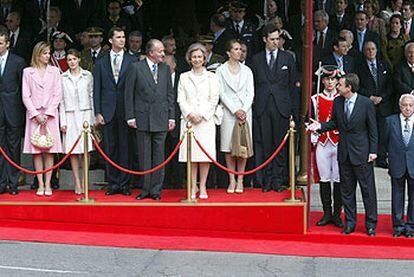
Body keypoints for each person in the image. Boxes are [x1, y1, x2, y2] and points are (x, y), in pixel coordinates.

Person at [307, 73, 378, 236]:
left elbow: (373, 130)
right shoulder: (338, 101)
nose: (337, 87)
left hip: (362, 153)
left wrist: (373, 151)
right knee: (347, 191)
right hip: (344, 152)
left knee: (367, 191)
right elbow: (335, 123)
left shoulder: (365, 103)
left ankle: (371, 224)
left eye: (340, 84)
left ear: (349, 88)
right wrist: (320, 126)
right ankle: (350, 223)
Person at [125, 39, 176, 201]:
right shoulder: (136, 68)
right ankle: (145, 189)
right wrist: (130, 116)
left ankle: (156, 190)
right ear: (150, 52)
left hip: (161, 118)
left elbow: (170, 95)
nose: (163, 54)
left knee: (159, 156)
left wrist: (171, 116)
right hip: (142, 118)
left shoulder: (165, 69)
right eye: (160, 51)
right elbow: (129, 94)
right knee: (145, 156)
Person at [250, 23, 298, 192]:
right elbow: (253, 86)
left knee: (280, 145)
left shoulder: (288, 58)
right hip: (262, 107)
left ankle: (279, 180)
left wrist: (294, 111)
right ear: (265, 39)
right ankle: (266, 180)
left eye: (277, 39)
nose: (275, 42)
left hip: (282, 108)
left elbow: (293, 87)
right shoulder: (256, 59)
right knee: (265, 144)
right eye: (272, 39)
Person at [93, 27, 134, 196]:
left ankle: (124, 184)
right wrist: (98, 112)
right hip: (107, 111)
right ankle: (113, 183)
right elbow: (97, 89)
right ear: (110, 40)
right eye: (118, 37)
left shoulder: (133, 61)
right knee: (110, 148)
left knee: (126, 148)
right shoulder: (101, 62)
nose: (122, 40)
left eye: (123, 37)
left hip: (126, 110)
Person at [177, 43, 220, 199]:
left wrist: (201, 115)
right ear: (189, 58)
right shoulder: (183, 77)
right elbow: (181, 99)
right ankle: (192, 185)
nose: (197, 59)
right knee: (191, 155)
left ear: (204, 58)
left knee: (204, 155)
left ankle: (202, 187)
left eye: (200, 57)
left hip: (205, 121)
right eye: (194, 57)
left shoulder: (212, 77)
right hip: (189, 122)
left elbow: (214, 99)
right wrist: (190, 114)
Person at [22, 41, 63, 196]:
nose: (48, 56)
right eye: (45, 53)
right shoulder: (27, 72)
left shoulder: (55, 71)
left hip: (50, 115)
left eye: (48, 53)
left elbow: (57, 94)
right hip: (34, 115)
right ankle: (39, 184)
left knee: (50, 150)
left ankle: (48, 184)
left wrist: (48, 113)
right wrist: (36, 114)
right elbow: (25, 95)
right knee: (37, 151)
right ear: (37, 55)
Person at [216, 39, 254, 194]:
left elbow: (250, 92)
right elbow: (221, 92)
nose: (239, 52)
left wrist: (243, 110)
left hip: (245, 112)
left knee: (243, 146)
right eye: (236, 49)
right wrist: (234, 110)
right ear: (228, 52)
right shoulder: (220, 70)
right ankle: (231, 179)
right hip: (228, 112)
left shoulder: (247, 70)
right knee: (229, 147)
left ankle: (241, 180)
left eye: (240, 49)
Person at [310, 66, 343, 228]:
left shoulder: (342, 98)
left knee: (338, 179)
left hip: (338, 142)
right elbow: (309, 119)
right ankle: (327, 213)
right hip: (322, 142)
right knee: (324, 178)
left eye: (333, 79)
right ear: (323, 80)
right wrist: (312, 130)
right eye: (327, 79)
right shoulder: (315, 99)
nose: (330, 82)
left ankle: (337, 214)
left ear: (337, 81)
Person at [59, 49, 94, 195]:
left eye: (74, 59)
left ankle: (85, 180)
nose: (72, 62)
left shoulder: (87, 75)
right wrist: (63, 121)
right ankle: (77, 182)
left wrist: (92, 120)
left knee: (86, 149)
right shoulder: (62, 77)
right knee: (73, 151)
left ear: (79, 59)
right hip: (70, 115)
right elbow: (60, 101)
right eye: (69, 60)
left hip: (85, 113)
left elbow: (91, 96)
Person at [357, 41, 394, 169]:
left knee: (383, 133)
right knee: (369, 131)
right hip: (368, 105)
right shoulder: (360, 67)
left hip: (383, 105)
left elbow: (390, 85)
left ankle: (382, 158)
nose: (371, 52)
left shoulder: (384, 65)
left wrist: (382, 97)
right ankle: (368, 157)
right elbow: (358, 86)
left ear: (377, 50)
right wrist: (370, 97)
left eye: (373, 49)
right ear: (364, 52)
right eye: (368, 49)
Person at [384, 94, 414, 238]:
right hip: (397, 164)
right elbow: (384, 142)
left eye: (410, 105)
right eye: (404, 105)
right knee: (397, 196)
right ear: (400, 106)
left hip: (413, 165)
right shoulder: (390, 121)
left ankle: (410, 226)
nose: (407, 108)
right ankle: (398, 226)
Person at [0, 30, 25, 195]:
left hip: (13, 110)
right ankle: (1, 183)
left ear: (8, 43)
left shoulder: (18, 61)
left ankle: (13, 182)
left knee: (14, 147)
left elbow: (23, 88)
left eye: (1, 43)